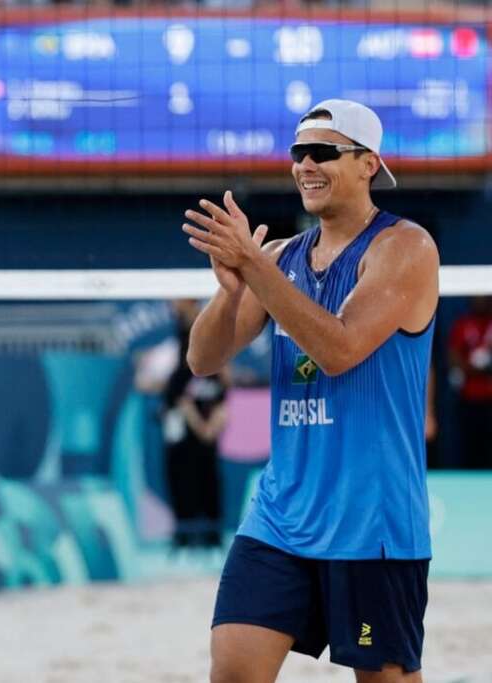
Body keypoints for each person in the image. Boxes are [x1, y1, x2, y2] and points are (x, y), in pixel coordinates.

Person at [182, 99, 438, 682]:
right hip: (282, 516)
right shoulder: (278, 257)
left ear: (369, 163)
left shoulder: (406, 248)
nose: (305, 165)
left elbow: (340, 348)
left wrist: (256, 268)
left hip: (372, 526)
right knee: (234, 671)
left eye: (323, 152)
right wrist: (230, 291)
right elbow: (202, 358)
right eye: (299, 153)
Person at [161, 299, 225, 549]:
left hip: (203, 431)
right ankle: (185, 534)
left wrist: (210, 426)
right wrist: (201, 426)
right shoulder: (180, 368)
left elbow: (221, 397)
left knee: (208, 480)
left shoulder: (214, 367)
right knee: (181, 479)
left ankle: (211, 534)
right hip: (185, 433)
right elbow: (179, 398)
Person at [447, 296, 492, 469]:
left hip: (489, 398)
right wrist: (479, 370)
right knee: (469, 446)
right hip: (469, 398)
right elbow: (454, 358)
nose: (480, 301)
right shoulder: (462, 324)